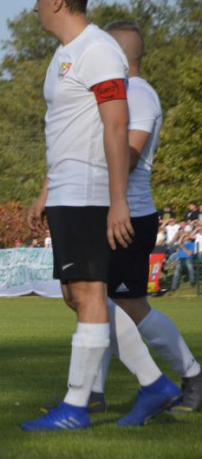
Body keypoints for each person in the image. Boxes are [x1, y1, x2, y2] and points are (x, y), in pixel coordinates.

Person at [23, 0, 179, 431]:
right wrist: (46, 190)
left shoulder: (98, 50)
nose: (34, 6)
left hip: (90, 192)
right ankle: (154, 384)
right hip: (67, 191)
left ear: (58, 0)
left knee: (90, 294)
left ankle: (76, 406)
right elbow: (66, 130)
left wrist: (117, 202)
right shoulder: (64, 55)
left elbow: (116, 125)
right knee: (76, 294)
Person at [89, 21, 201, 414]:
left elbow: (130, 157)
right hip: (112, 214)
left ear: (119, 55)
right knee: (96, 303)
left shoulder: (138, 96)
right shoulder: (121, 94)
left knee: (129, 305)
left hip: (130, 216)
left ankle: (192, 376)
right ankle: (92, 393)